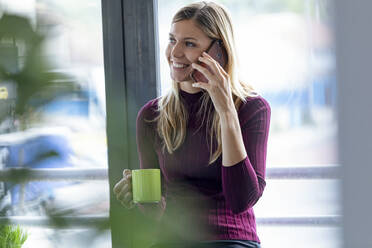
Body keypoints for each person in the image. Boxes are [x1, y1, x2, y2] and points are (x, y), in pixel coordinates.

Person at [113, 1, 271, 248]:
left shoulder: (251, 108)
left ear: (219, 51)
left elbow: (242, 199)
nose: (174, 53)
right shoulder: (152, 115)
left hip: (231, 240)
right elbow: (155, 211)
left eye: (189, 44)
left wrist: (226, 110)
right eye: (172, 40)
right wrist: (139, 195)